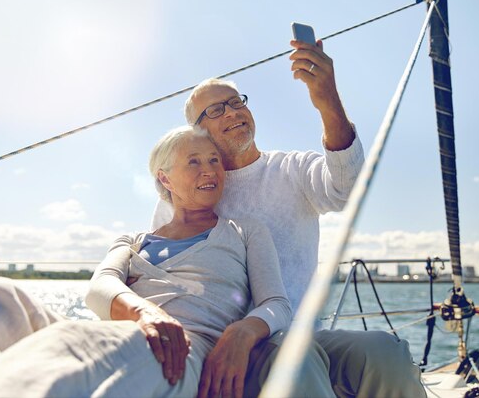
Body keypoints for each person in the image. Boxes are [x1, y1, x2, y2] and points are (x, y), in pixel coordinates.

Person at [0, 126, 333, 398]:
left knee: (78, 343)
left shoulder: (245, 231)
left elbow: (276, 303)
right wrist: (144, 313)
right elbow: (99, 289)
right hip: (131, 327)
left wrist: (242, 331)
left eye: (214, 161)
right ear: (164, 178)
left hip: (181, 351)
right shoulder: (132, 242)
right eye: (194, 162)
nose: (210, 170)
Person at [151, 39, 426, 397]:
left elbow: (349, 188)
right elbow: (158, 272)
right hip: (223, 345)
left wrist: (327, 101)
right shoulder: (183, 196)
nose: (233, 112)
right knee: (294, 361)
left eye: (236, 103)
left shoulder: (292, 169)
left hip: (301, 334)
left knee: (389, 354)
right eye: (216, 110)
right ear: (196, 132)